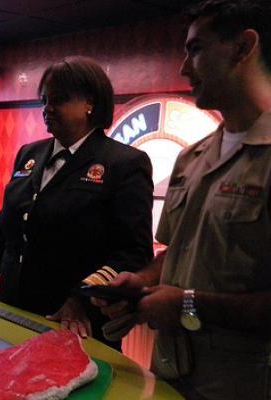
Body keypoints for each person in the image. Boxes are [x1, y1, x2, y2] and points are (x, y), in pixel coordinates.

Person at [95, 1, 271, 399]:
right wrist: (139, 282)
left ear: (244, 48)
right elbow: (179, 252)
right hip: (173, 374)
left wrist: (190, 305)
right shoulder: (193, 158)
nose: (183, 67)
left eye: (196, 49)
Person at [0, 56, 153, 348]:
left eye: (59, 99)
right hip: (12, 315)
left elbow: (134, 253)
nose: (47, 108)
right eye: (44, 99)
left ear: (90, 103)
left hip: (75, 326)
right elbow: (5, 236)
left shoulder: (124, 163)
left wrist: (82, 296)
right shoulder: (29, 155)